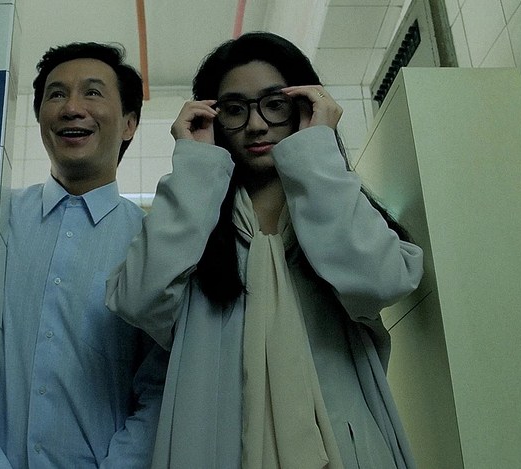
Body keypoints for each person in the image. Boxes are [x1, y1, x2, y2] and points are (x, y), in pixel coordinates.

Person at [106, 32, 424, 469]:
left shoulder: (340, 206)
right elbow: (138, 299)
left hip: (345, 446)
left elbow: (382, 280)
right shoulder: (194, 227)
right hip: (219, 447)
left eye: (275, 104)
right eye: (234, 110)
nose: (256, 125)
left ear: (306, 107)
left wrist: (317, 152)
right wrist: (194, 166)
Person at [0, 42, 168, 468]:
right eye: (56, 94)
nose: (72, 108)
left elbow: (160, 384)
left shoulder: (151, 242)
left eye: (92, 92)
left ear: (129, 124)